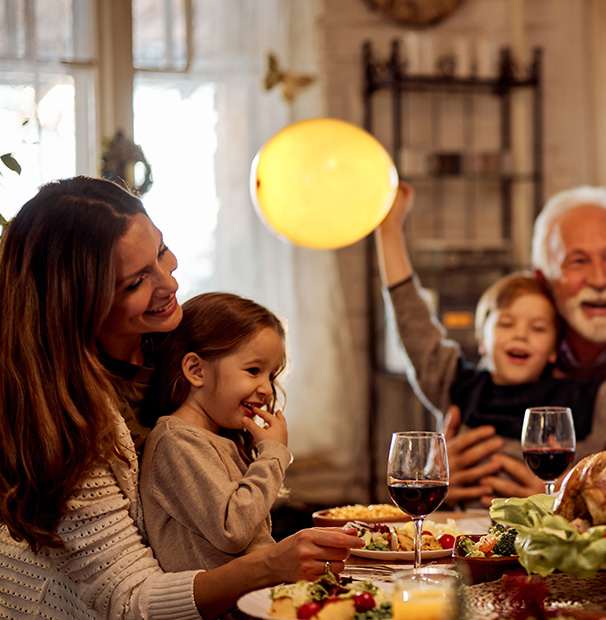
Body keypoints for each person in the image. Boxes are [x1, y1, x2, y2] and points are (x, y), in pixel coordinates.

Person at [0, 177, 361, 620]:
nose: (168, 282)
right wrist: (270, 565)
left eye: (161, 251)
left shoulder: (174, 350)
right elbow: (130, 601)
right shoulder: (64, 420)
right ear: (80, 304)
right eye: (135, 282)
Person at [376, 182, 606, 502]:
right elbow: (420, 339)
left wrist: (566, 499)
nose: (598, 278)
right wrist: (438, 477)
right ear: (543, 278)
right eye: (577, 261)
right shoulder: (494, 373)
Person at [140, 292, 291, 572]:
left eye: (271, 375)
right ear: (196, 370)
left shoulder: (214, 440)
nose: (267, 389)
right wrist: (273, 456)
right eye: (254, 370)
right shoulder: (177, 441)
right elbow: (232, 530)